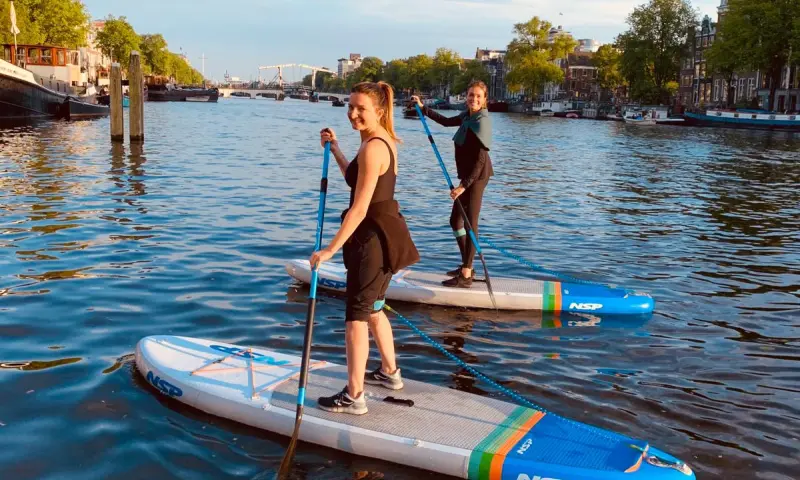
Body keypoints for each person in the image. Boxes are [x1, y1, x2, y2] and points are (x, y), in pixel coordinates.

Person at [311, 81, 419, 415]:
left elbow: (359, 208)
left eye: (361, 109)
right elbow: (355, 180)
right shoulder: (376, 141)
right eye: (351, 107)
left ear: (379, 111)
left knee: (357, 317)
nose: (353, 114)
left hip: (372, 241)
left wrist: (329, 250)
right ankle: (390, 373)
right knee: (374, 308)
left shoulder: (374, 148)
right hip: (384, 235)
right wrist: (336, 150)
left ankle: (355, 396)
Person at [410, 80, 494, 288]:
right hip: (467, 178)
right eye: (470, 95)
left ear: (484, 100)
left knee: (469, 223)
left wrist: (463, 186)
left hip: (477, 177)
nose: (473, 99)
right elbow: (446, 123)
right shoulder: (467, 116)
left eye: (477, 96)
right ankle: (468, 263)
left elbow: (480, 161)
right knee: (455, 222)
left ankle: (466, 275)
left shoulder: (481, 122)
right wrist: (423, 108)